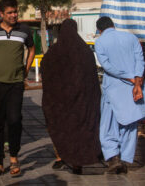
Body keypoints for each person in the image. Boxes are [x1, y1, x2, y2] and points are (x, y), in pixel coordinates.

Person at [41, 18, 101, 174]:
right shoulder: (85, 51)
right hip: (82, 100)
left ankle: (61, 156)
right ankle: (77, 162)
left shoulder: (53, 51)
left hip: (60, 101)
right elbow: (91, 77)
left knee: (61, 127)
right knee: (80, 130)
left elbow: (46, 71)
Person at [0, 0, 36, 178]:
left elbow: (32, 49)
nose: (14, 15)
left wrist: (25, 71)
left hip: (16, 83)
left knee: (14, 120)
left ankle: (14, 158)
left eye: (15, 11)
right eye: (10, 12)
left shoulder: (24, 30)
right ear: (1, 14)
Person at [94, 16, 145, 174]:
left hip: (113, 88)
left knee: (108, 124)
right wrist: (137, 81)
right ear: (113, 25)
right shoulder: (131, 37)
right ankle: (125, 159)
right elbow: (140, 60)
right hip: (132, 89)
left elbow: (107, 66)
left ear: (100, 30)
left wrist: (128, 77)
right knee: (129, 123)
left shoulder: (99, 42)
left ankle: (113, 158)